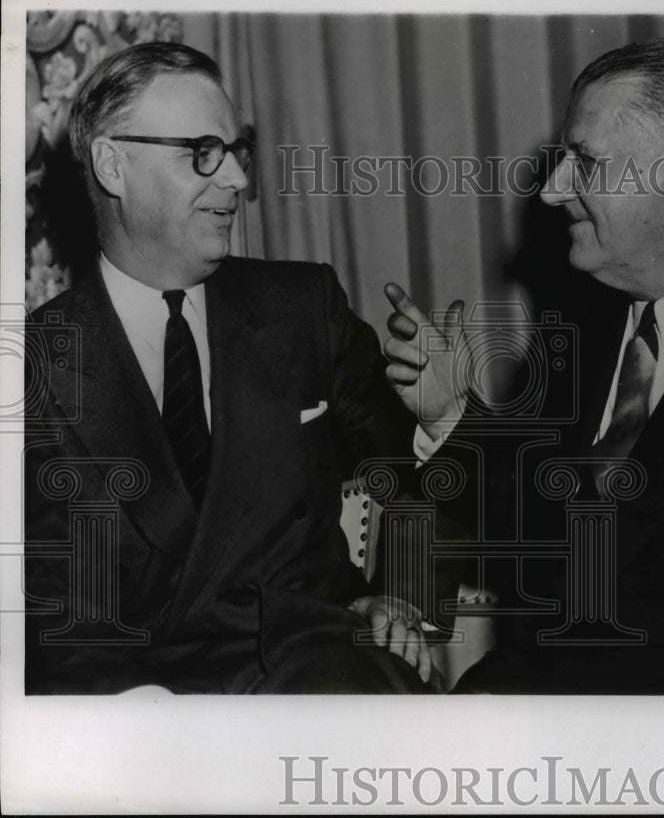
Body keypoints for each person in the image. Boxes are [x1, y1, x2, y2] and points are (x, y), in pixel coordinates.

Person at [383, 36, 664, 693]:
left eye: (584, 163)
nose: (551, 190)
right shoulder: (582, 321)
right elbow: (543, 541)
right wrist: (451, 414)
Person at [24, 42, 441, 694]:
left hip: (321, 663)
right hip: (145, 699)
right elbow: (50, 610)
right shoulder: (36, 362)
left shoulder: (303, 307)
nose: (239, 180)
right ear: (112, 165)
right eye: (201, 154)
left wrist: (403, 599)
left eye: (237, 150)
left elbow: (413, 477)